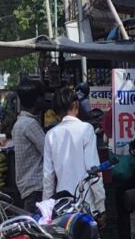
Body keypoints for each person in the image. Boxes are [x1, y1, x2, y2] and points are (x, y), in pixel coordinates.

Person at [43, 87, 106, 216]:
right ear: (76, 105)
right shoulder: (86, 130)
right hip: (86, 204)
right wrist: (101, 207)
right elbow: (94, 171)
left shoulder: (50, 135)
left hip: (62, 205)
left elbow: (48, 177)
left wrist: (47, 209)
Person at [12, 79, 46, 213]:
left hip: (27, 187)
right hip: (35, 187)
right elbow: (48, 151)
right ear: (37, 100)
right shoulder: (30, 125)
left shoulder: (20, 123)